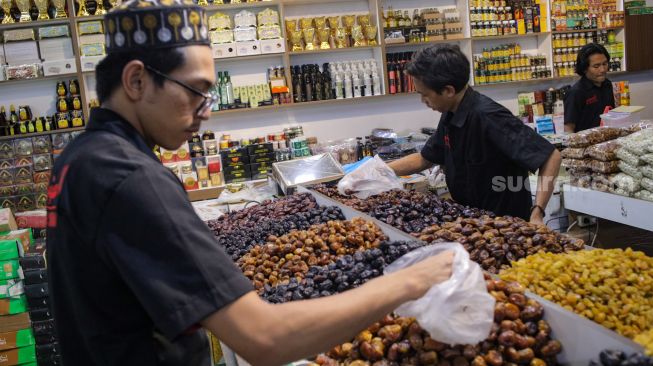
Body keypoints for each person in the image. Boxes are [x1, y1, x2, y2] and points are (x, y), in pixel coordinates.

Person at [45, 1, 455, 365]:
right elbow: (265, 339)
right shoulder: (131, 178)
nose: (205, 112)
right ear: (136, 81)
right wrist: (410, 280)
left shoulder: (80, 157)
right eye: (197, 91)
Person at [387, 45, 561, 225]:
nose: (423, 101)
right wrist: (376, 170)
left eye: (425, 95)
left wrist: (537, 211)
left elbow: (551, 157)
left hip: (505, 227)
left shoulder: (489, 117)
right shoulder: (451, 111)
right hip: (471, 222)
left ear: (448, 91)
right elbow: (425, 158)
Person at [564, 43, 615, 133]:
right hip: (586, 143)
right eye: (596, 66)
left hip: (607, 140)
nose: (602, 69)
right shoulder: (576, 92)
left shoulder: (608, 84)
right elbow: (569, 128)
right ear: (584, 68)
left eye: (605, 64)